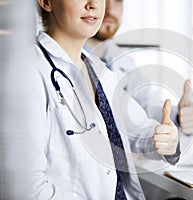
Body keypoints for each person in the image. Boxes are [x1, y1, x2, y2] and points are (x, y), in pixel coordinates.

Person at [3, 0, 180, 199]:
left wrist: (166, 140)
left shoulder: (97, 70)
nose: (94, 4)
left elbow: (139, 129)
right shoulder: (27, 71)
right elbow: (27, 187)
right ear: (46, 2)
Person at [85, 0, 193, 136]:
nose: (110, 9)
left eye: (117, 0)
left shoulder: (122, 60)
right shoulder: (67, 61)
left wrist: (180, 118)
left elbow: (148, 103)